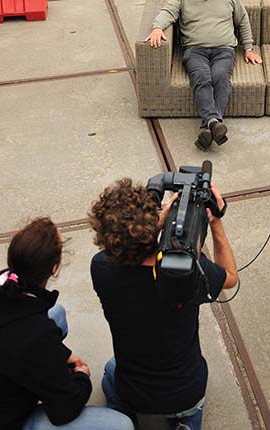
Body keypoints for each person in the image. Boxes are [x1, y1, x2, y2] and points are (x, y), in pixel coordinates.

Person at [89, 177, 238, 429]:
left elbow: (130, 257)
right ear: (154, 222)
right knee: (188, 397)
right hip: (185, 391)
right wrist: (216, 223)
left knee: (110, 369)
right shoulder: (187, 273)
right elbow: (230, 278)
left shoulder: (100, 267)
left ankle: (122, 418)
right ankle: (186, 422)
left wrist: (151, 227)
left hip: (133, 391)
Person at [0, 217, 133, 430]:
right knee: (121, 425)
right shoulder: (35, 334)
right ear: (54, 268)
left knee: (56, 314)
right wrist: (81, 377)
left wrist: (59, 354)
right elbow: (63, 410)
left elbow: (18, 340)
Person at [146, 0, 262, 150]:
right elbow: (168, 12)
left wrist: (249, 48)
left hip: (224, 49)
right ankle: (214, 123)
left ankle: (209, 126)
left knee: (219, 77)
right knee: (201, 77)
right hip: (195, 50)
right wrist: (157, 27)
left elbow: (242, 20)